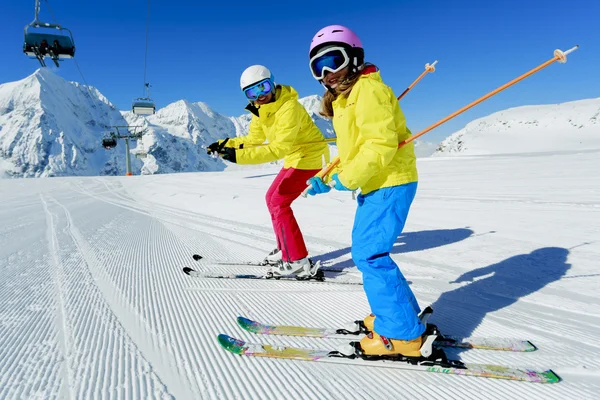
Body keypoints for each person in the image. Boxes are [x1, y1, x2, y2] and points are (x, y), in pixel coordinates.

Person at [306, 25, 431, 356]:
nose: (327, 73)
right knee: (368, 251)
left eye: (334, 60)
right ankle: (395, 315)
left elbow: (379, 145)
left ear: (355, 59)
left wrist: (347, 179)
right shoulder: (346, 99)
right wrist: (326, 175)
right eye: (318, 67)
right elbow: (352, 150)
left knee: (370, 254)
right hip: (378, 181)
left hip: (389, 180)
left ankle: (402, 335)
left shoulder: (367, 91)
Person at [207, 65, 330, 278]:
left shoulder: (289, 108)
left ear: (272, 83)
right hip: (295, 158)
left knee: (279, 202)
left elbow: (277, 149)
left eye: (263, 87)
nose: (260, 96)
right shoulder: (259, 111)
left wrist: (237, 157)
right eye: (252, 92)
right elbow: (253, 140)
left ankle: (297, 260)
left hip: (310, 158)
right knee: (271, 199)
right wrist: (223, 144)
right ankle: (286, 249)